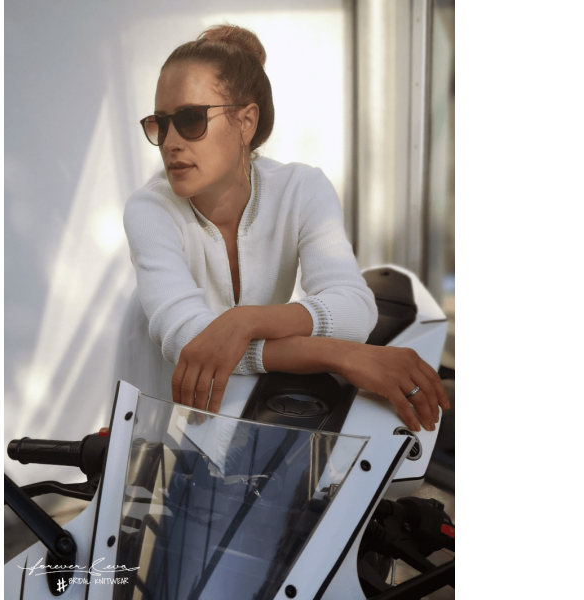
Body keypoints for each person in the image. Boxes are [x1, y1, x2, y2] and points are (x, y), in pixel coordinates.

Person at [120, 25, 449, 433]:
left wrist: (244, 322)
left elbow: (354, 307)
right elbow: (191, 341)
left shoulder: (302, 188)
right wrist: (341, 355)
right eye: (160, 123)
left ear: (245, 121)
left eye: (190, 120)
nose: (170, 142)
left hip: (241, 420)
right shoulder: (150, 209)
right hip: (154, 418)